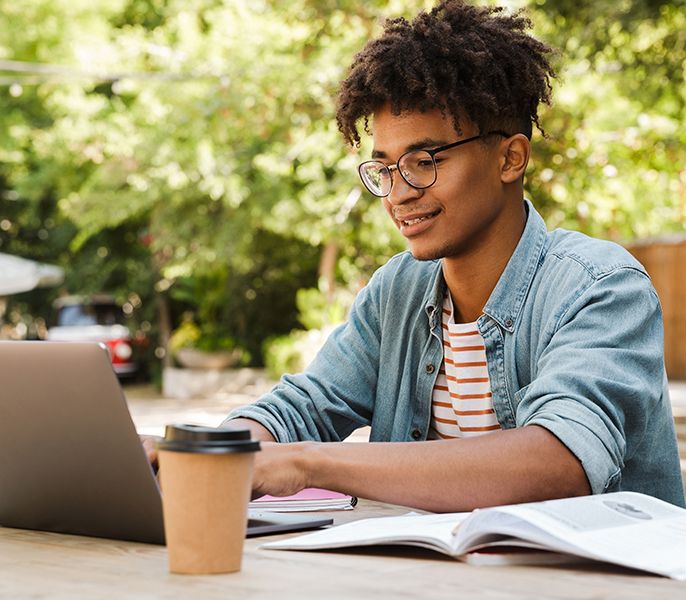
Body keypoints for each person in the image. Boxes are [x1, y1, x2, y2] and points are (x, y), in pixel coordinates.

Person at [145, 0, 685, 511]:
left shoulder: (602, 287)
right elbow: (304, 408)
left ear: (510, 157)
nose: (400, 192)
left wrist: (309, 464)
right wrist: (204, 453)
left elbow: (557, 460)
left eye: (424, 160)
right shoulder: (396, 293)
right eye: (384, 168)